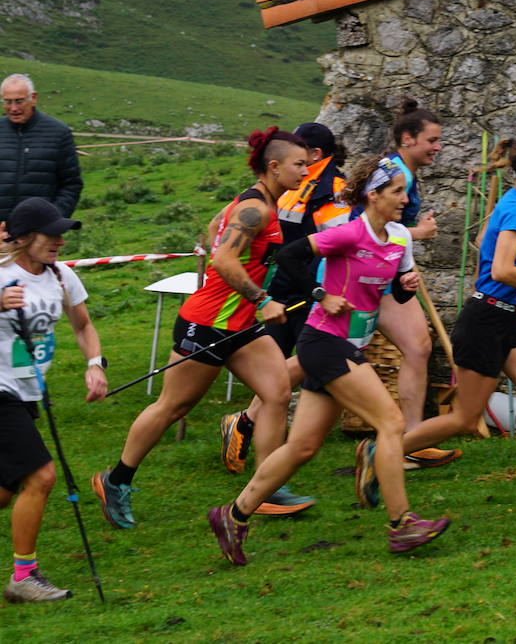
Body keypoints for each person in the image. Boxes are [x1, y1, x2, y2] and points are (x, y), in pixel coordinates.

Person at [208, 156, 449, 564]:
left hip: (350, 345)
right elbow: (289, 257)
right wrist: (321, 295)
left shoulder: (399, 240)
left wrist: (406, 287)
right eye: (397, 193)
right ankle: (401, 524)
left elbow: (397, 296)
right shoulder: (346, 235)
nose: (405, 200)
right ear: (373, 196)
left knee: (302, 446)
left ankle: (233, 515)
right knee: (390, 422)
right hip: (324, 339)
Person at [92, 129, 313, 528]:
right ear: (274, 166)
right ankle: (116, 480)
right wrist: (261, 299)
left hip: (239, 324)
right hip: (207, 324)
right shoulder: (256, 210)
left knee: (278, 391)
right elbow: (223, 257)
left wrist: (248, 296)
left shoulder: (260, 202)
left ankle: (264, 490)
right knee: (173, 406)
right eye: (299, 164)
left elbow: (214, 229)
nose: (305, 169)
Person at [387, 133, 516, 519]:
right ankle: (384, 451)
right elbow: (500, 268)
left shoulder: (514, 204)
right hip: (485, 320)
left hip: (505, 317)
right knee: (463, 418)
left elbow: (482, 241)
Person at [219, 122, 349, 476]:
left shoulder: (327, 188)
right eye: (295, 159)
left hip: (292, 286)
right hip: (300, 288)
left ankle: (249, 431)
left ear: (316, 154)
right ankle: (251, 434)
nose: (300, 165)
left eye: (302, 156)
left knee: (284, 373)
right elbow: (336, 242)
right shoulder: (295, 187)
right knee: (284, 372)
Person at [0, 198, 106, 603]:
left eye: (63, 234)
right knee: (42, 477)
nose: (60, 241)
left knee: (6, 492)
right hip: (0, 390)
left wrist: (95, 364)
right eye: (52, 234)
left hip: (28, 391)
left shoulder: (61, 277)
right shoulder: (2, 275)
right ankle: (23, 577)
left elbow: (83, 325)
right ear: (25, 237)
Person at [366, 99, 456, 471]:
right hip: (366, 275)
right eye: (431, 140)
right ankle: (251, 416)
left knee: (418, 347)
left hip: (386, 274)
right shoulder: (392, 171)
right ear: (407, 138)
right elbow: (370, 222)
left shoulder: (402, 170)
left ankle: (410, 439)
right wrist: (417, 233)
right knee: (323, 355)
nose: (437, 147)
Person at [0, 74, 83, 237]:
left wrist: (51, 222)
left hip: (38, 236)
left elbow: (71, 184)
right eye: (7, 102)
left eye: (19, 101)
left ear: (34, 98)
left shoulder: (59, 133)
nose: (13, 108)